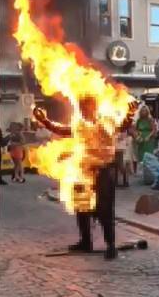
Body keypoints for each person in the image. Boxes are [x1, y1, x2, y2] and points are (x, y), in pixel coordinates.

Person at [32, 100, 137, 260]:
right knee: (82, 208)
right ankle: (86, 242)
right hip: (83, 172)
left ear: (94, 108)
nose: (84, 111)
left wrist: (130, 114)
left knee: (104, 211)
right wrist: (45, 121)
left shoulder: (106, 122)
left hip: (103, 173)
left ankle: (111, 245)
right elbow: (62, 130)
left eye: (87, 108)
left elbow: (122, 126)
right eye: (82, 108)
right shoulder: (79, 125)